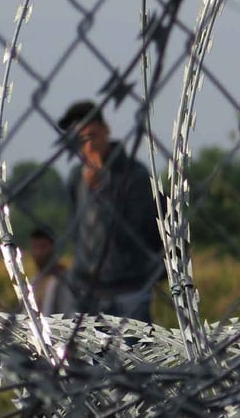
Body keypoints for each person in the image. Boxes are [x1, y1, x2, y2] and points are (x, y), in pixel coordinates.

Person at [58, 100, 163, 323]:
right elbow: (76, 230)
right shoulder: (77, 178)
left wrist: (102, 190)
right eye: (80, 141)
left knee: (133, 345)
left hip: (128, 290)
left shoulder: (133, 174)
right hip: (86, 290)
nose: (88, 147)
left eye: (92, 136)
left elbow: (136, 232)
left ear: (105, 131)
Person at [27, 226, 75, 315]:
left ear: (53, 248)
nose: (39, 252)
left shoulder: (64, 280)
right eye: (35, 247)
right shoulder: (32, 282)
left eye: (43, 247)